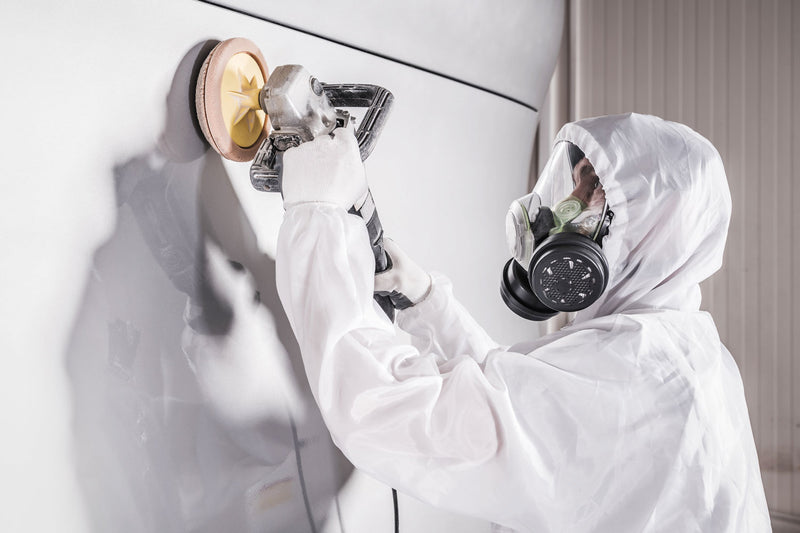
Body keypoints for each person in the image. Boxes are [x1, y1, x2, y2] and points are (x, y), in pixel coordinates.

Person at [274, 113, 770, 532]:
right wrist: (426, 300)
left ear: (653, 228)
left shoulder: (633, 370)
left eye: (593, 189)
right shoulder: (677, 350)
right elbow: (516, 397)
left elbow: (381, 412)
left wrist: (317, 215)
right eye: (573, 179)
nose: (565, 208)